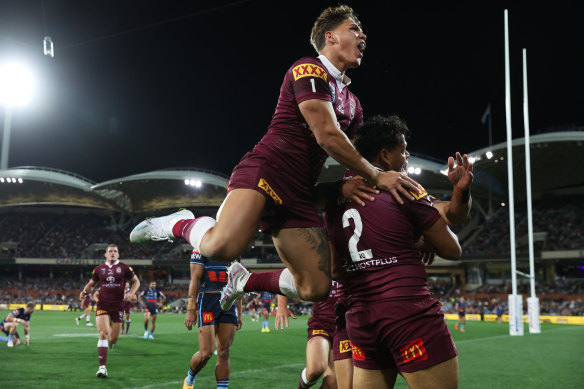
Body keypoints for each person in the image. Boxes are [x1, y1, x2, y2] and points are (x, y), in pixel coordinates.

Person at [130, 5, 419, 308]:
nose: (363, 35)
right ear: (330, 36)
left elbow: (356, 157)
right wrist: (376, 175)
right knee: (222, 246)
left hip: (301, 192)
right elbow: (327, 135)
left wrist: (371, 177)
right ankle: (179, 223)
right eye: (354, 28)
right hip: (267, 171)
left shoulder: (354, 104)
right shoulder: (308, 68)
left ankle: (243, 280)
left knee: (316, 288)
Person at [325, 115, 472, 389]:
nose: (406, 156)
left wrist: (460, 193)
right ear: (384, 156)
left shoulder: (335, 202)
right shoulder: (403, 187)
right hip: (408, 312)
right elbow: (452, 250)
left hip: (362, 319)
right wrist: (420, 241)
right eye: (402, 150)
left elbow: (335, 270)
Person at [183, 250, 242, 389]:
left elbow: (238, 281)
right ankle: (190, 379)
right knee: (206, 352)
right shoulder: (201, 248)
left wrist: (239, 313)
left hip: (229, 302)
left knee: (224, 352)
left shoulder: (234, 250)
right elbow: (195, 278)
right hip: (208, 302)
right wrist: (191, 309)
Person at [80, 244, 140, 378]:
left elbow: (136, 281)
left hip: (118, 307)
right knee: (103, 333)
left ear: (118, 254)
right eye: (110, 251)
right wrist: (84, 292)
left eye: (115, 251)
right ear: (105, 254)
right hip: (103, 305)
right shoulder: (99, 269)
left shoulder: (125, 268)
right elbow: (90, 285)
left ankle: (110, 344)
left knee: (113, 339)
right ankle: (102, 367)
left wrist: (131, 293)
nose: (112, 253)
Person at [277, 280, 350, 389]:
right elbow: (285, 278)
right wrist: (282, 306)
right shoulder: (318, 265)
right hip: (321, 325)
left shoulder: (353, 265)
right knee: (316, 368)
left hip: (344, 329)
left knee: (333, 384)